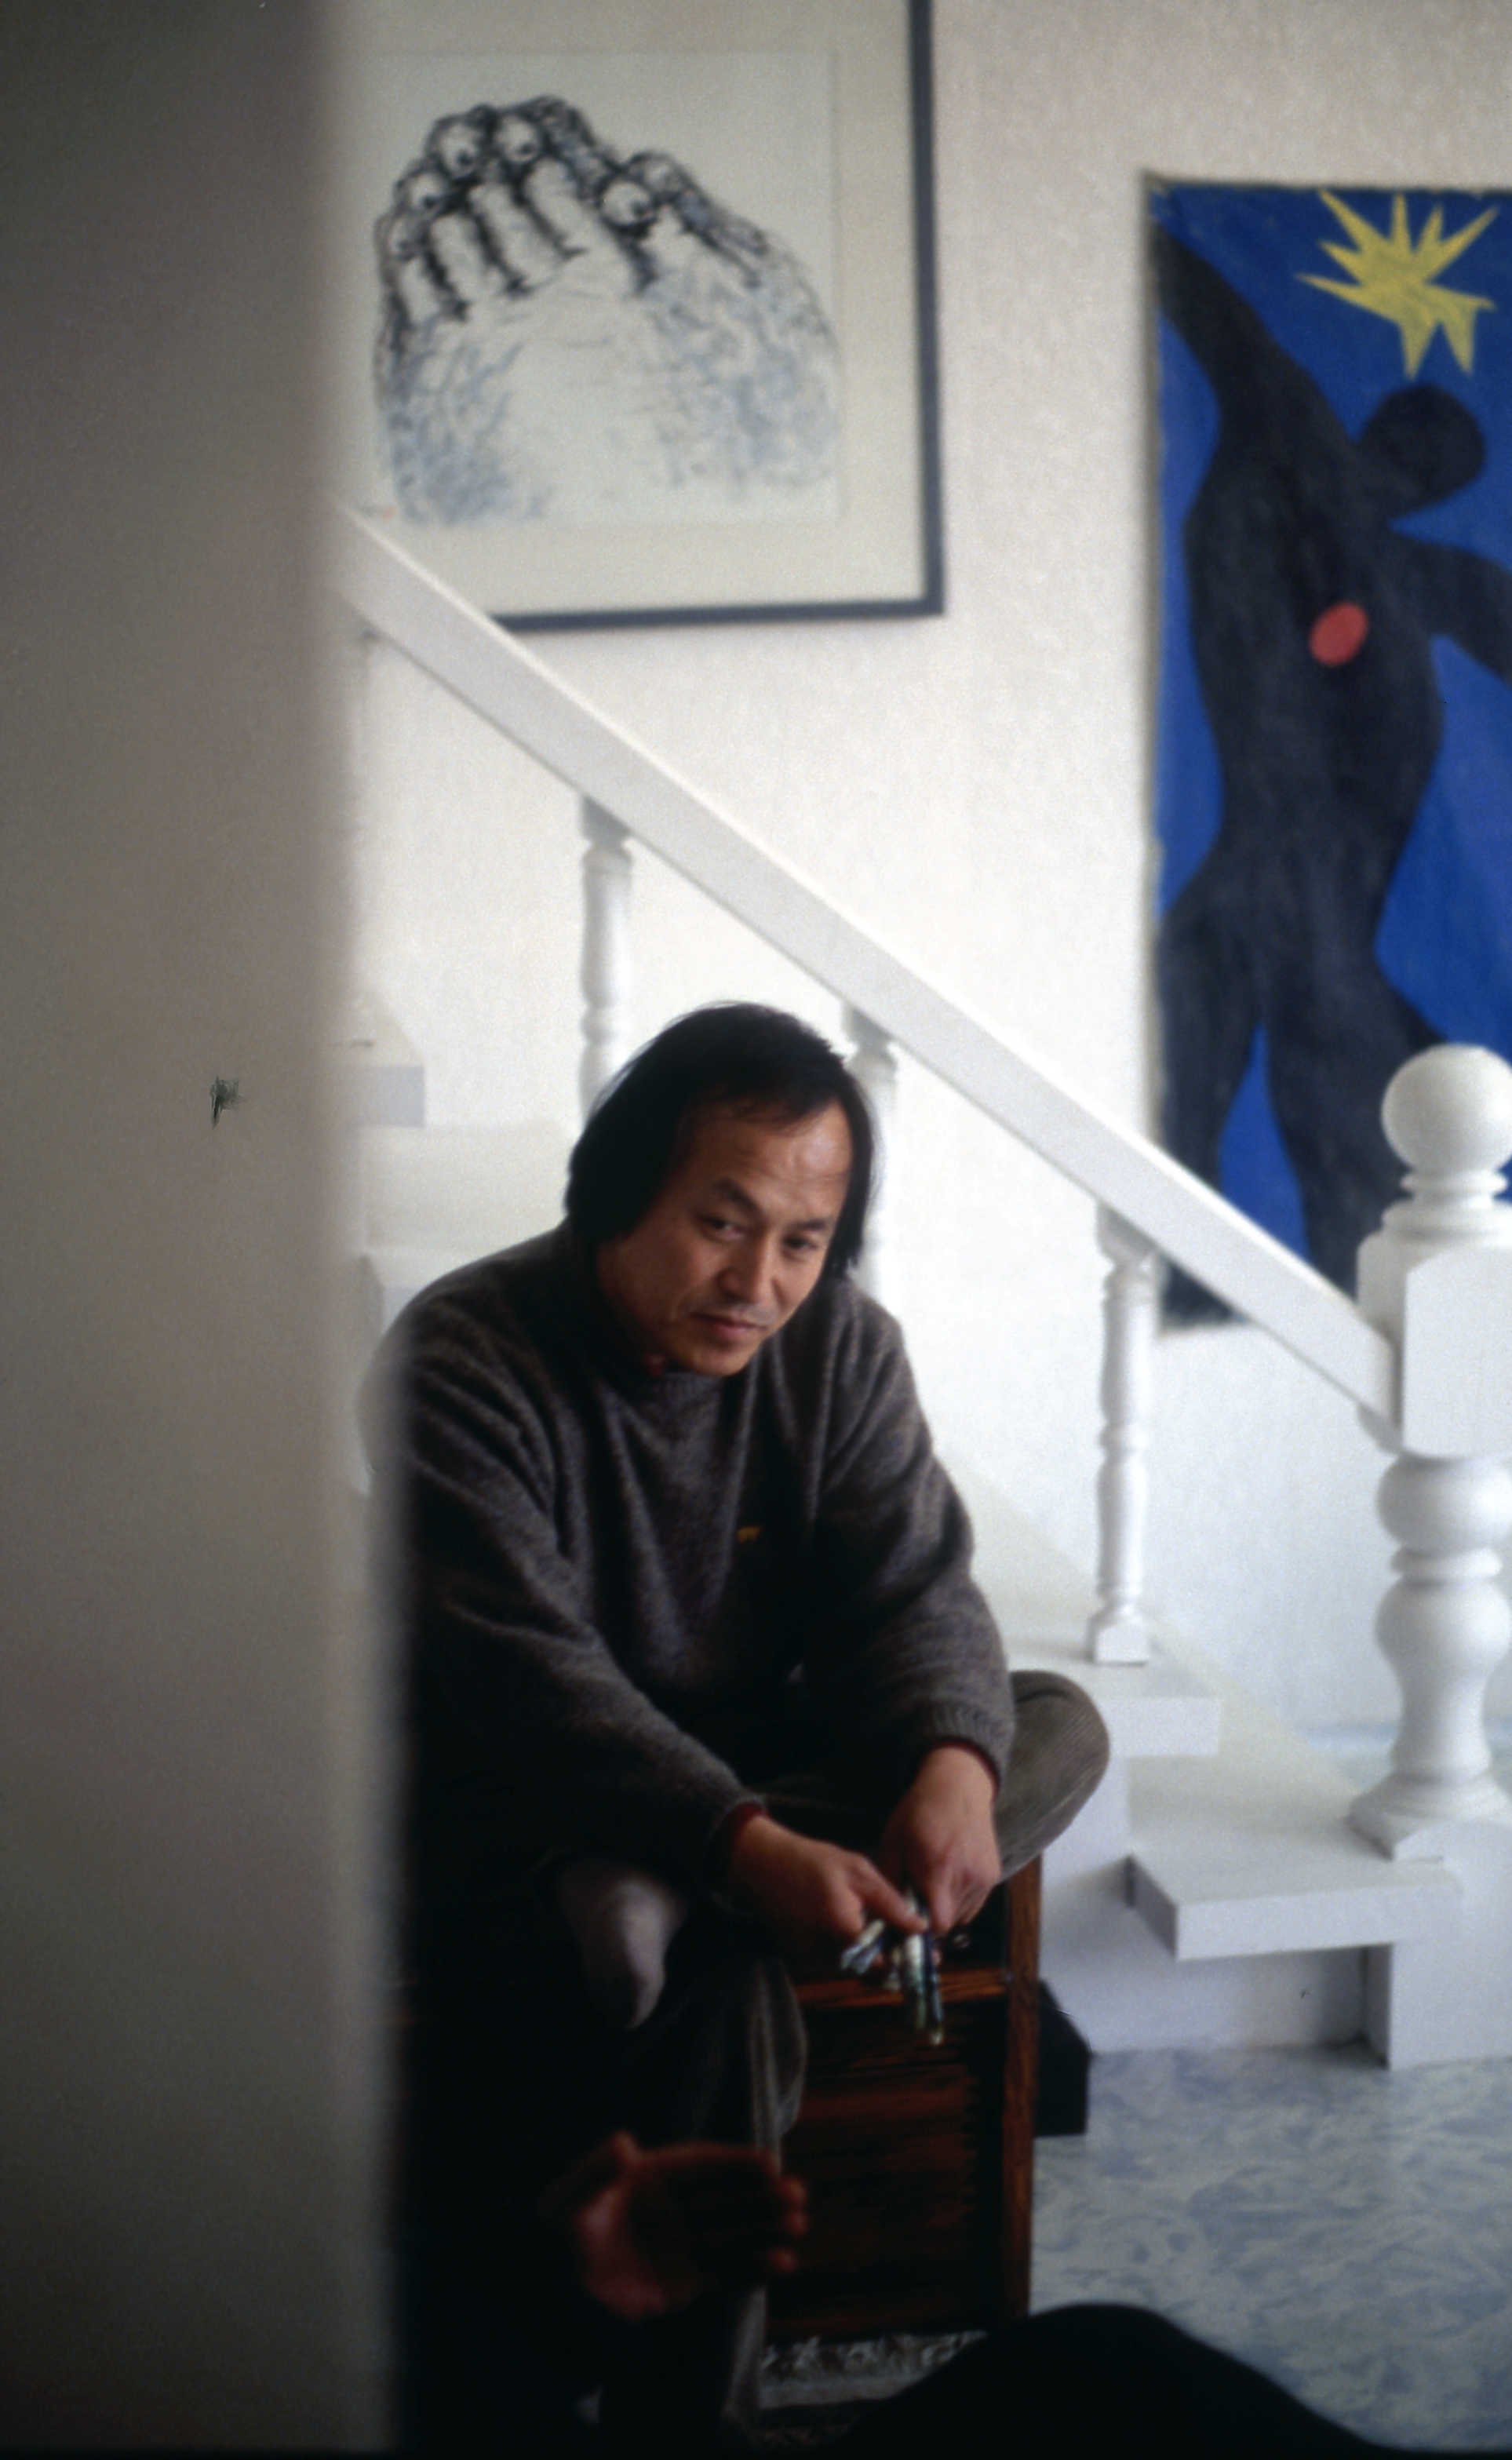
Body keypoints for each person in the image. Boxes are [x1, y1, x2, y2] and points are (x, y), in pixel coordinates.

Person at [366, 1002, 1109, 2445]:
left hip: (751, 1779)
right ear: (618, 1190)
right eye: (722, 1224)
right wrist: (742, 1849)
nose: (759, 1283)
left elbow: (913, 1591)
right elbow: (530, 1684)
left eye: (803, 1241)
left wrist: (954, 1771)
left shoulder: (840, 1347)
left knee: (1048, 1721)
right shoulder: (456, 1359)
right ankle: (692, 2429)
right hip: (517, 1808)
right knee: (725, 1987)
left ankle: (662, 1887)